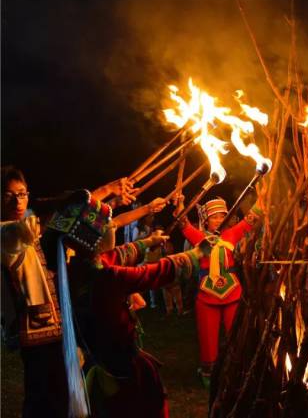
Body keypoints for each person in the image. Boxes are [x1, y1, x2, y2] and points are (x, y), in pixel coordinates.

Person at [40, 189, 205, 418]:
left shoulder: (73, 271)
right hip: (125, 373)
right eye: (110, 225)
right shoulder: (108, 278)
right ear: (96, 240)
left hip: (95, 365)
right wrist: (197, 254)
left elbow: (118, 254)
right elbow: (157, 272)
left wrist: (148, 242)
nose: (114, 226)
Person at [176, 195, 263, 388]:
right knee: (208, 337)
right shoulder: (198, 237)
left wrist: (262, 193)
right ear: (206, 220)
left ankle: (236, 369)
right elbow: (181, 222)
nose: (219, 219)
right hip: (207, 295)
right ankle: (209, 372)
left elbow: (252, 217)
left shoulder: (231, 234)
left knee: (236, 335)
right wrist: (181, 203)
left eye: (223, 216)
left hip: (232, 293)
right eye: (215, 216)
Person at [1, 166, 67, 417]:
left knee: (54, 394)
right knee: (41, 399)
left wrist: (110, 197)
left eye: (22, 193)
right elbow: (27, 231)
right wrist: (92, 195)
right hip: (33, 331)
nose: (17, 201)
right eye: (8, 195)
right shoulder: (6, 233)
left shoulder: (27, 229)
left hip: (50, 327)